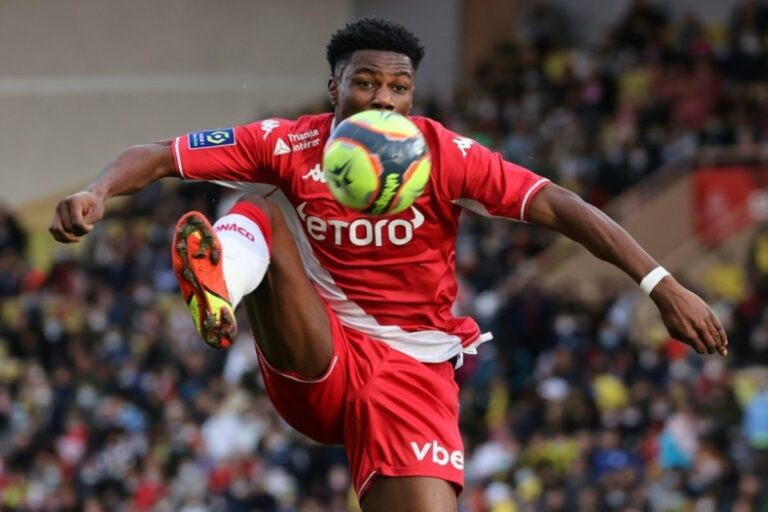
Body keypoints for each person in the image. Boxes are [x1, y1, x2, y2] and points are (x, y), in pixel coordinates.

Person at [49, 18, 728, 512]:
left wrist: (660, 284)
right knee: (255, 208)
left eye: (399, 87)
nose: (383, 100)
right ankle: (219, 281)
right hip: (322, 351)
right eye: (366, 83)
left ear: (412, 95)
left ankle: (227, 276)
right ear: (332, 88)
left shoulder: (445, 154)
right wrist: (96, 191)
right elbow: (163, 154)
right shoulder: (289, 144)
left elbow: (558, 206)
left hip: (413, 368)